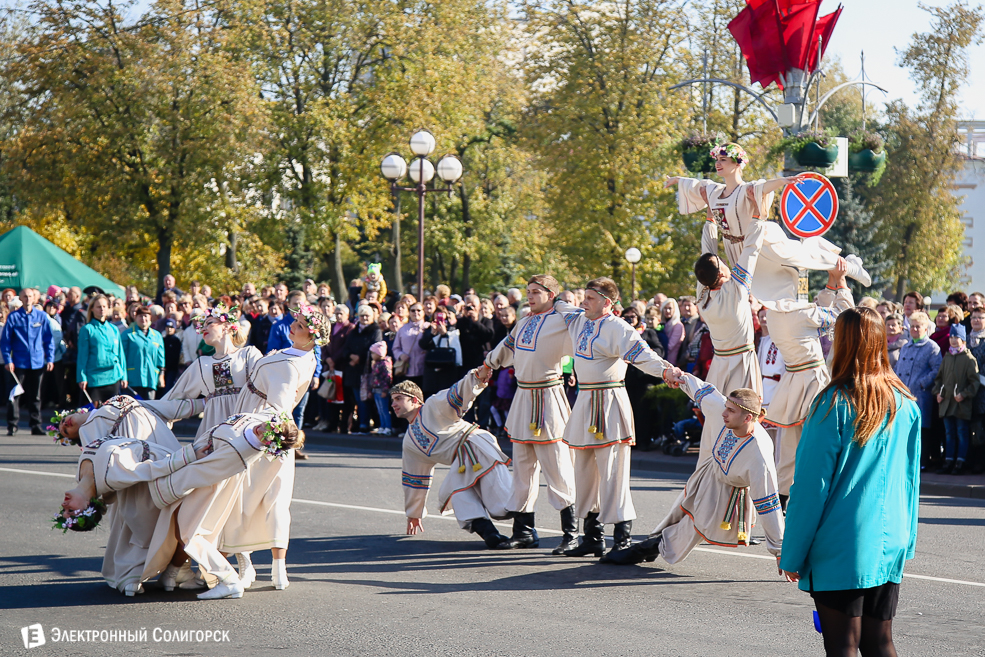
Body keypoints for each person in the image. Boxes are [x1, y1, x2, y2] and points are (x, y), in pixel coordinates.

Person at [780, 307, 920, 657]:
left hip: (843, 545)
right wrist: (907, 540)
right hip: (890, 539)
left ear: (842, 343)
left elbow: (810, 488)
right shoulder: (906, 403)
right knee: (880, 642)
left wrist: (792, 552)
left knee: (843, 645)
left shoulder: (833, 404)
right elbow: (910, 482)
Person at [601, 374, 783, 569]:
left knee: (689, 528)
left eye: (731, 411)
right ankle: (650, 546)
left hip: (726, 493)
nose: (724, 413)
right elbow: (703, 390)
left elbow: (768, 503)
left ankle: (643, 549)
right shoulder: (723, 411)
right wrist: (679, 377)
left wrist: (780, 552)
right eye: (726, 407)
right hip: (707, 475)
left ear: (747, 417)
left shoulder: (759, 454)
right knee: (676, 515)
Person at [554, 278, 679, 557]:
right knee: (584, 471)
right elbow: (560, 304)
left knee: (613, 472)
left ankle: (622, 539)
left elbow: (643, 355)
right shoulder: (578, 319)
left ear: (607, 302)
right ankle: (592, 537)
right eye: (584, 297)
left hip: (609, 403)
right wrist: (548, 292)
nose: (583, 302)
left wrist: (666, 371)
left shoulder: (618, 328)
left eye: (590, 298)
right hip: (585, 401)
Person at [665, 143, 870, 303]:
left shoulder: (745, 190)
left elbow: (762, 187)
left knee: (799, 258)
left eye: (724, 160)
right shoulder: (713, 191)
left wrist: (782, 181)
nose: (718, 164)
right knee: (759, 291)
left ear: (737, 164)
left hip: (760, 240)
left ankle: (850, 266)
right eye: (717, 159)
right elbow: (696, 185)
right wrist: (676, 180)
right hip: (736, 248)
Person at [223, 304, 328, 590]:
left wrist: (261, 433)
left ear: (312, 337)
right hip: (271, 426)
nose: (293, 325)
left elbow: (279, 406)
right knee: (273, 497)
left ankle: (253, 565)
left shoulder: (290, 364)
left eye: (301, 325)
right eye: (296, 321)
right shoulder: (299, 356)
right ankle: (273, 569)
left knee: (246, 495)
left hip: (260, 428)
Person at [145, 412, 304, 600]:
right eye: (268, 425)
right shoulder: (256, 419)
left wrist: (171, 480)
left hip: (209, 489)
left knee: (190, 534)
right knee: (182, 530)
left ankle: (228, 580)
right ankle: (172, 575)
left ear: (270, 444)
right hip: (201, 470)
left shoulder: (242, 451)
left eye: (267, 434)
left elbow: (206, 471)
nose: (262, 428)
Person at [480, 275, 579, 554]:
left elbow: (582, 316)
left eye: (536, 292)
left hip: (549, 397)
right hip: (524, 397)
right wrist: (487, 365)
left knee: (558, 467)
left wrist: (560, 304)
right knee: (522, 468)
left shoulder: (562, 320)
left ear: (551, 295)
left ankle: (571, 533)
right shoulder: (523, 322)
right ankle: (523, 531)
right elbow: (506, 347)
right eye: (528, 291)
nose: (530, 296)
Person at [762, 262, 854, 507]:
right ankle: (818, 497)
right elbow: (845, 317)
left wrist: (830, 284)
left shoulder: (773, 314)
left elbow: (815, 312)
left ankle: (782, 498)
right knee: (821, 444)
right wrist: (841, 283)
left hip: (791, 381)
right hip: (813, 382)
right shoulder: (802, 314)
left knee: (789, 448)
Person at [394, 375, 512, 549]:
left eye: (398, 399)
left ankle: (527, 532)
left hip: (478, 447)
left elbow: (457, 392)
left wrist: (477, 376)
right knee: (454, 492)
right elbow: (415, 478)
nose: (393, 404)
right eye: (392, 400)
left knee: (503, 501)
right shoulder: (409, 442)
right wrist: (414, 513)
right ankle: (489, 534)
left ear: (414, 400)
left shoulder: (432, 406)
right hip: (461, 462)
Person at [160, 302, 263, 440]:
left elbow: (267, 390)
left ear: (226, 325)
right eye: (202, 326)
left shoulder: (248, 354)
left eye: (209, 323)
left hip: (245, 430)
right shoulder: (202, 363)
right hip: (213, 431)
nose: (203, 328)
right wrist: (146, 408)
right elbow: (173, 397)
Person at [692, 227, 765, 402]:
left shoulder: (702, 295)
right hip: (743, 363)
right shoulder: (735, 290)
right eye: (721, 261)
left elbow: (707, 254)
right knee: (743, 411)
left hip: (719, 364)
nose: (724, 261)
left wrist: (711, 220)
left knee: (720, 411)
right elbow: (750, 251)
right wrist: (757, 220)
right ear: (720, 273)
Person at [893, 311, 942, 472]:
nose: (914, 329)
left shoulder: (932, 347)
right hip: (902, 394)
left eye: (918, 326)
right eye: (912, 326)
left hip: (920, 395)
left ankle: (922, 461)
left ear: (925, 328)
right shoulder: (905, 347)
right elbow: (898, 368)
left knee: (921, 430)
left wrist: (922, 383)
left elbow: (937, 369)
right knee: (903, 428)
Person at [0, 288, 54, 435]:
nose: (28, 299)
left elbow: (48, 339)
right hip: (19, 362)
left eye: (30, 296)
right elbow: (6, 341)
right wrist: (8, 360)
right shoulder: (13, 317)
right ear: (21, 298)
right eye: (25, 296)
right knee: (14, 395)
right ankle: (12, 425)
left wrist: (50, 358)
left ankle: (36, 425)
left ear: (34, 298)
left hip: (37, 362)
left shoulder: (41, 316)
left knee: (35, 396)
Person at [933, 323, 979, 475]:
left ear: (963, 340)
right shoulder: (947, 357)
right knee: (949, 433)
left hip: (961, 404)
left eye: (957, 337)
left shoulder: (969, 359)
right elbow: (939, 379)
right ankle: (948, 460)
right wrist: (938, 393)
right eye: (951, 337)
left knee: (961, 433)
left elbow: (974, 383)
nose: (953, 340)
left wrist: (964, 394)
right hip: (946, 403)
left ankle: (960, 461)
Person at [77, 294, 127, 404]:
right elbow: (82, 356)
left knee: (113, 411)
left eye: (104, 306)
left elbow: (120, 354)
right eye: (99, 307)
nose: (102, 309)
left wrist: (124, 375)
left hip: (113, 376)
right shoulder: (87, 329)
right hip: (94, 378)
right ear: (92, 309)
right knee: (92, 412)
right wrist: (82, 377)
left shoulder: (114, 329)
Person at [342, 304, 382, 432]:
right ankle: (360, 424)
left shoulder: (375, 330)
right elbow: (346, 348)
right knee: (357, 400)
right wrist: (351, 356)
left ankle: (365, 424)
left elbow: (375, 348)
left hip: (368, 371)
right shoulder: (354, 332)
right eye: (362, 316)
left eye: (367, 316)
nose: (364, 318)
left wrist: (360, 357)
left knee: (366, 399)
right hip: (353, 371)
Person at [120, 306, 165, 400]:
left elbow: (161, 359)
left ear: (150, 318)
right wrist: (123, 377)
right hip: (133, 379)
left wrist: (161, 376)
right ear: (135, 318)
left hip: (150, 378)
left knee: (149, 406)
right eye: (140, 316)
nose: (143, 318)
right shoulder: (127, 334)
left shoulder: (157, 336)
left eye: (146, 316)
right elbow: (122, 358)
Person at [419, 306, 462, 399]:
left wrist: (445, 333)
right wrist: (431, 334)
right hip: (432, 369)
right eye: (437, 313)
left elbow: (455, 346)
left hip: (448, 369)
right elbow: (423, 345)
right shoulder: (430, 328)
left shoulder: (453, 328)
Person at [368, 341, 393, 436]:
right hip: (376, 389)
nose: (371, 355)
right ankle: (382, 426)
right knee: (379, 410)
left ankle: (388, 427)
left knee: (384, 409)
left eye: (373, 353)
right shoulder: (375, 363)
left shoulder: (384, 364)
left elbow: (387, 378)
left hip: (382, 390)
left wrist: (385, 390)